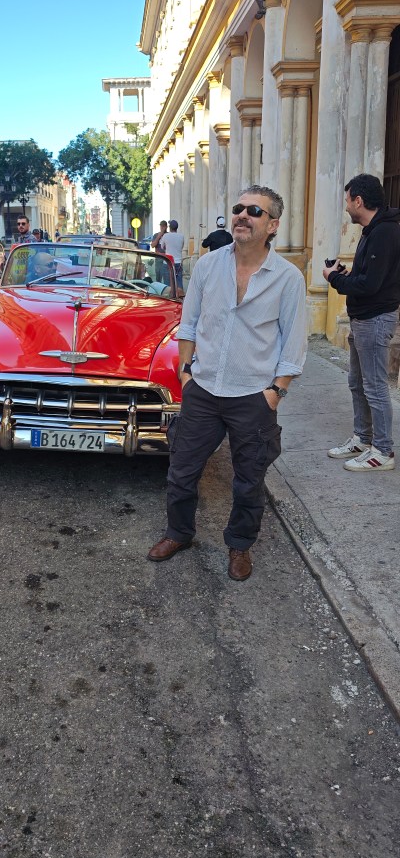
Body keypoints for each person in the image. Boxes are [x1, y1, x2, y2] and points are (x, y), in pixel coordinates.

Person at [147, 186, 307, 581]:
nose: (242, 215)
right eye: (238, 208)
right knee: (181, 470)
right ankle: (178, 533)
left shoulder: (287, 278)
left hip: (254, 395)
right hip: (202, 389)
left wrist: (276, 391)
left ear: (273, 225)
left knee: (249, 481)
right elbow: (188, 323)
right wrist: (186, 373)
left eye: (254, 211)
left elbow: (294, 342)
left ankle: (239, 545)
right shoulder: (207, 266)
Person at [324, 174, 400, 471]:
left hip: (375, 319)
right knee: (357, 383)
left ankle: (382, 451)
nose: (346, 206)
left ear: (359, 200)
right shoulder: (372, 230)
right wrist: (345, 275)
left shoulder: (385, 232)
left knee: (375, 386)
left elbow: (370, 285)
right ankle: (362, 438)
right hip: (363, 318)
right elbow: (368, 277)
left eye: (347, 200)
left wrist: (334, 278)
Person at [163, 219, 185, 289]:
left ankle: (168, 295)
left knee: (167, 283)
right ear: (176, 228)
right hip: (178, 262)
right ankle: (180, 295)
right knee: (179, 282)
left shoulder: (165, 236)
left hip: (168, 262)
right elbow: (182, 246)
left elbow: (162, 247)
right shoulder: (181, 236)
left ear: (170, 227)